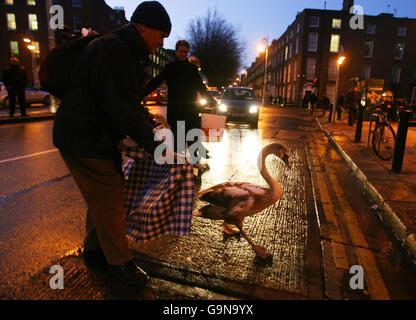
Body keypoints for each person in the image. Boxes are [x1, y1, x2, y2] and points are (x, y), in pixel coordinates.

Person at [52, 1, 171, 286]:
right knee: (110, 196)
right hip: (85, 135)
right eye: (160, 34)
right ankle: (120, 263)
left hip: (89, 134)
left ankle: (94, 252)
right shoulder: (115, 50)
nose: (161, 41)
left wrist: (148, 126)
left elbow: (126, 102)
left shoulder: (125, 50)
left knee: (104, 195)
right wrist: (154, 145)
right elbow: (121, 107)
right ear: (143, 26)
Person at [144, 40, 216, 161]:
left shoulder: (192, 69)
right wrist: (141, 93)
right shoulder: (170, 68)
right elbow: (156, 82)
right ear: (176, 52)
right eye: (181, 51)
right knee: (179, 146)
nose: (183, 54)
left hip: (190, 112)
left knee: (193, 144)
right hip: (176, 112)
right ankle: (180, 174)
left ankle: (194, 173)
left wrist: (212, 101)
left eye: (185, 52)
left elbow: (201, 87)